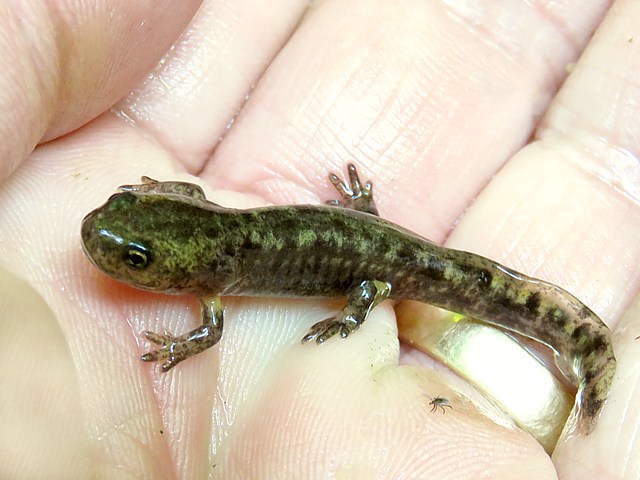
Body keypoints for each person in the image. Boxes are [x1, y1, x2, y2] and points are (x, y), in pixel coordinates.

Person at [0, 2, 636, 478]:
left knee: (379, 277)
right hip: (366, 235)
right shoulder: (211, 257)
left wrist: (353, 313)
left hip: (375, 265)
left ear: (184, 271)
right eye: (127, 215)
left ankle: (577, 352)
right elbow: (189, 202)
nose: (110, 245)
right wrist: (158, 193)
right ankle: (365, 229)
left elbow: (209, 325)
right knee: (383, 253)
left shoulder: (211, 281)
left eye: (136, 256)